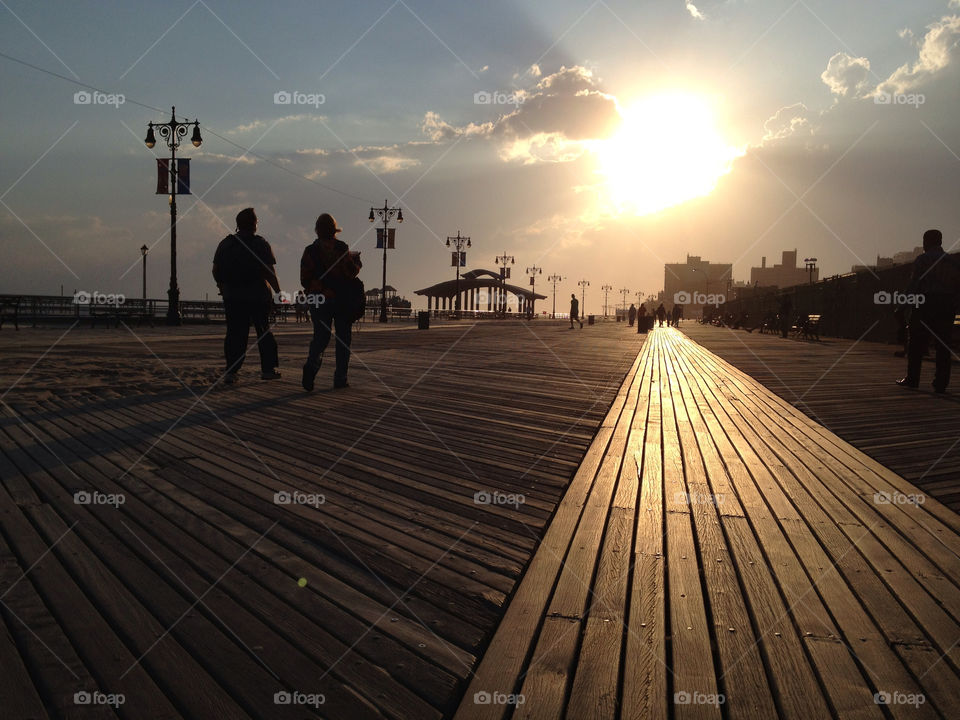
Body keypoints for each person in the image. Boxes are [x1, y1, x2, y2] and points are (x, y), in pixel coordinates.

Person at [212, 208, 280, 384]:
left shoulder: (226, 244)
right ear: (254, 224)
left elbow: (216, 270)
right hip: (258, 295)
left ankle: (231, 371)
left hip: (233, 296)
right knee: (263, 331)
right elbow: (269, 272)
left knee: (235, 333)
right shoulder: (260, 244)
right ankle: (267, 369)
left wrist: (222, 286)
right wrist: (279, 293)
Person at [300, 213, 362, 390]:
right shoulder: (341, 248)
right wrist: (357, 263)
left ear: (317, 230)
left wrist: (319, 288)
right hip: (340, 298)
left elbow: (304, 278)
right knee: (343, 338)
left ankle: (311, 366)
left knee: (321, 336)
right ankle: (340, 378)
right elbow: (350, 272)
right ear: (334, 230)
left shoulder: (310, 251)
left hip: (318, 299)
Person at [897, 229, 959, 393]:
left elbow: (914, 285)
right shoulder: (953, 262)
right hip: (946, 305)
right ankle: (940, 383)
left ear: (927, 241)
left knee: (916, 343)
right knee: (943, 345)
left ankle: (913, 379)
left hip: (925, 303)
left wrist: (902, 305)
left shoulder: (923, 260)